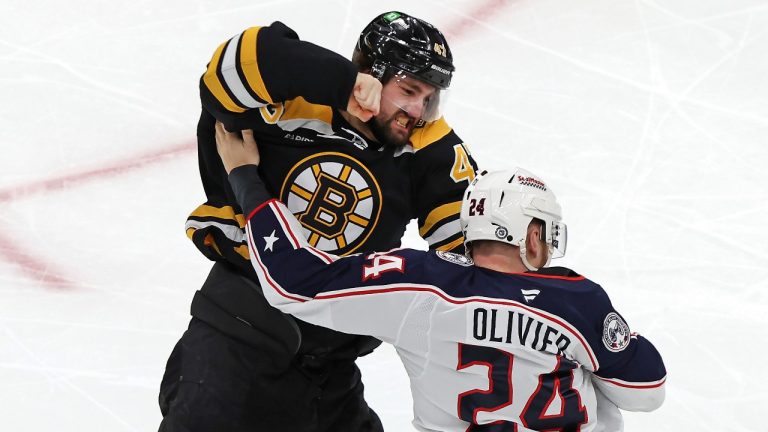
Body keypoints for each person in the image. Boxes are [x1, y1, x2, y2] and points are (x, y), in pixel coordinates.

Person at [214, 124, 667, 431]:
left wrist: (245, 177)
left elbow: (292, 283)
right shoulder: (577, 300)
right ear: (531, 236)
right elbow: (647, 392)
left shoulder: (421, 284)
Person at [159, 11, 478, 432]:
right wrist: (342, 83)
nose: (417, 110)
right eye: (409, 90)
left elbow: (471, 242)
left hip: (331, 363)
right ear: (369, 75)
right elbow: (232, 66)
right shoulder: (288, 103)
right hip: (239, 336)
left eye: (430, 97)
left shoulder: (424, 142)